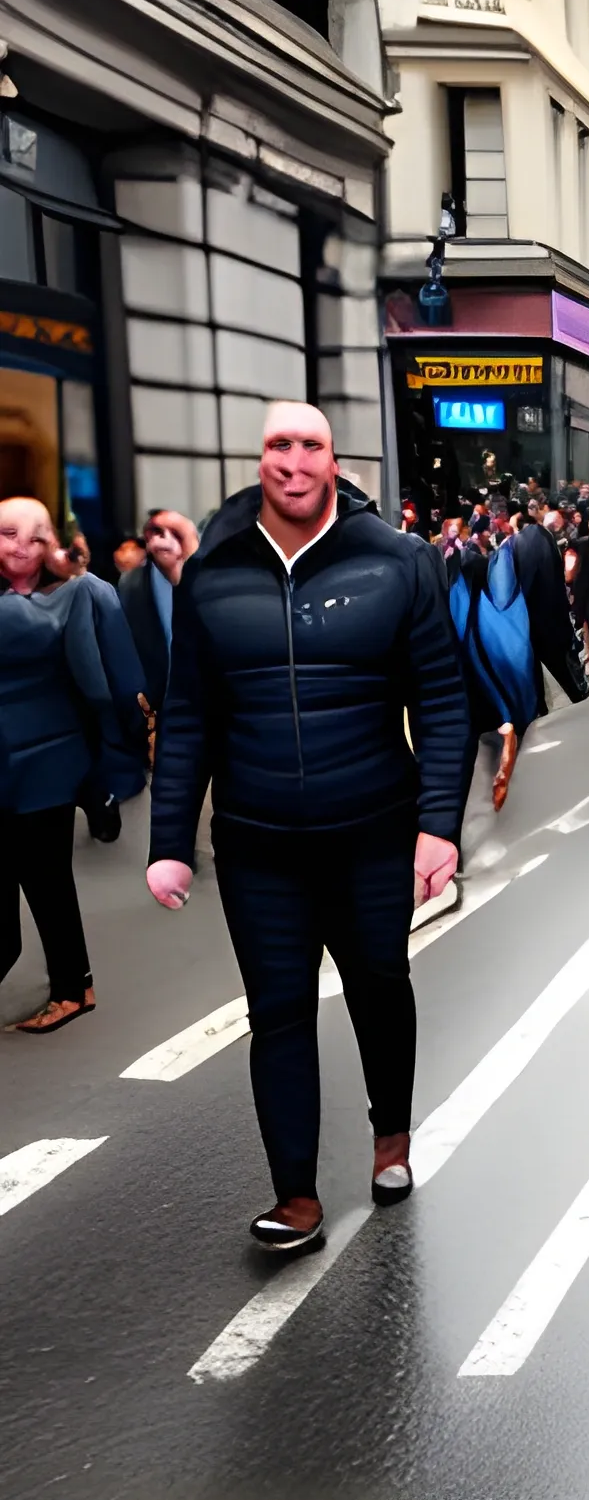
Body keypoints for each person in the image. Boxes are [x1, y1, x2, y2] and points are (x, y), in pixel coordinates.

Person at [145, 402, 470, 1253]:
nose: (293, 461)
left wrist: (439, 825)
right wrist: (170, 843)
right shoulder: (212, 574)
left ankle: (391, 1138)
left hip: (372, 831)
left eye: (310, 445)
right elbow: (188, 717)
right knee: (278, 1014)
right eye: (277, 445)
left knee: (377, 985)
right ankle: (295, 1197)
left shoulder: (399, 563)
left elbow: (442, 699)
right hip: (257, 845)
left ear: (335, 460)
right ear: (258, 461)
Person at [0, 497, 127, 1033]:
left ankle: (74, 988)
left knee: (46, 880)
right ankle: (75, 984)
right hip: (20, 765)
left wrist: (73, 570)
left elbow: (43, 628)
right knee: (38, 879)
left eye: (30, 535)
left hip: (44, 763)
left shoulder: (67, 598)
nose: (16, 545)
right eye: (6, 533)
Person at [117, 508, 199, 730]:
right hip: (154, 714)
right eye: (158, 532)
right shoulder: (130, 586)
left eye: (176, 532)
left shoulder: (210, 579)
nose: (166, 540)